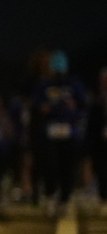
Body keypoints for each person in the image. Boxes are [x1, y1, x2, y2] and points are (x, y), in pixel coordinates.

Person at [30, 50, 86, 217]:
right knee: (50, 165)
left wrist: (74, 111)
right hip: (50, 131)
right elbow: (36, 103)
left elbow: (82, 104)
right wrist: (43, 108)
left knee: (67, 167)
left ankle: (64, 199)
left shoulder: (74, 83)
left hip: (69, 131)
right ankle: (50, 195)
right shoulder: (44, 84)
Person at [86, 67, 107, 214]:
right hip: (100, 143)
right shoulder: (97, 99)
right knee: (102, 170)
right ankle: (103, 198)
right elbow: (92, 123)